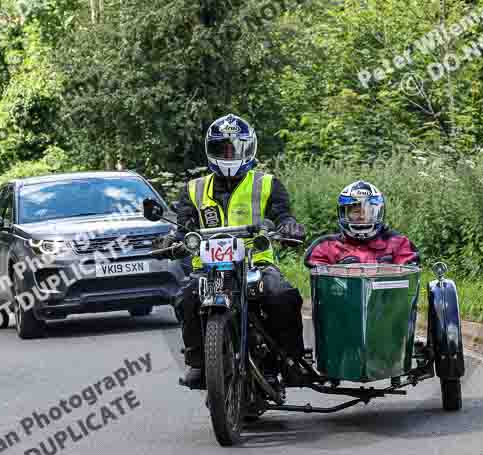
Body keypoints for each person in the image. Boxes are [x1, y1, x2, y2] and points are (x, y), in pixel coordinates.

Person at [160, 113, 306, 389]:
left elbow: (283, 214)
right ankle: (198, 362)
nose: (228, 154)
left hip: (256, 265)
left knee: (281, 296)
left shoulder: (266, 183)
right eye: (222, 148)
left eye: (234, 148)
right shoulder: (194, 189)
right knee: (185, 297)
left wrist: (289, 227)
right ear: (210, 150)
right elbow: (182, 227)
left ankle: (287, 361)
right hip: (208, 269)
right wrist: (171, 242)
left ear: (248, 148)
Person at [304, 181, 419, 267]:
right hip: (343, 298)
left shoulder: (398, 243)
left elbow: (409, 272)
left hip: (387, 298)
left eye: (368, 212)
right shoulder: (326, 246)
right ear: (343, 213)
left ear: (379, 212)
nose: (362, 216)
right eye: (356, 212)